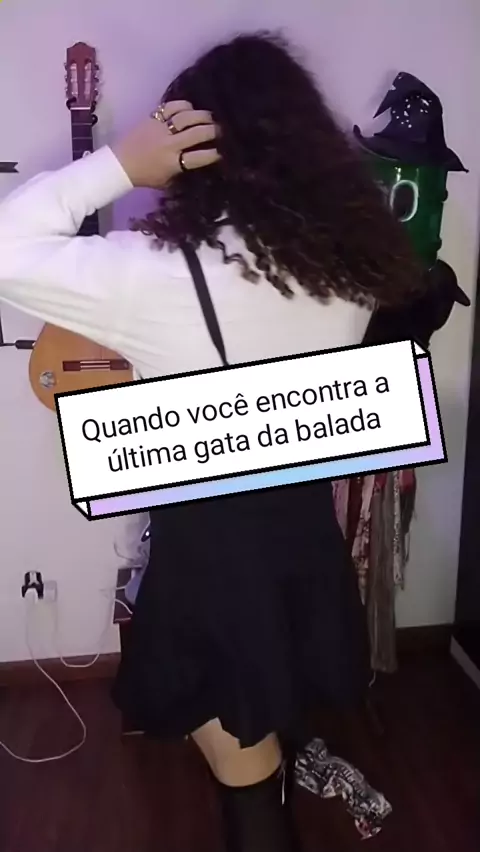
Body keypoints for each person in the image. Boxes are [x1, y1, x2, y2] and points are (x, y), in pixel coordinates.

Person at [0, 31, 424, 852]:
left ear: (193, 146)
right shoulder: (345, 266)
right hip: (304, 547)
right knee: (257, 738)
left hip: (213, 572)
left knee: (246, 777)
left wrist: (119, 164)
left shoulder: (154, 275)